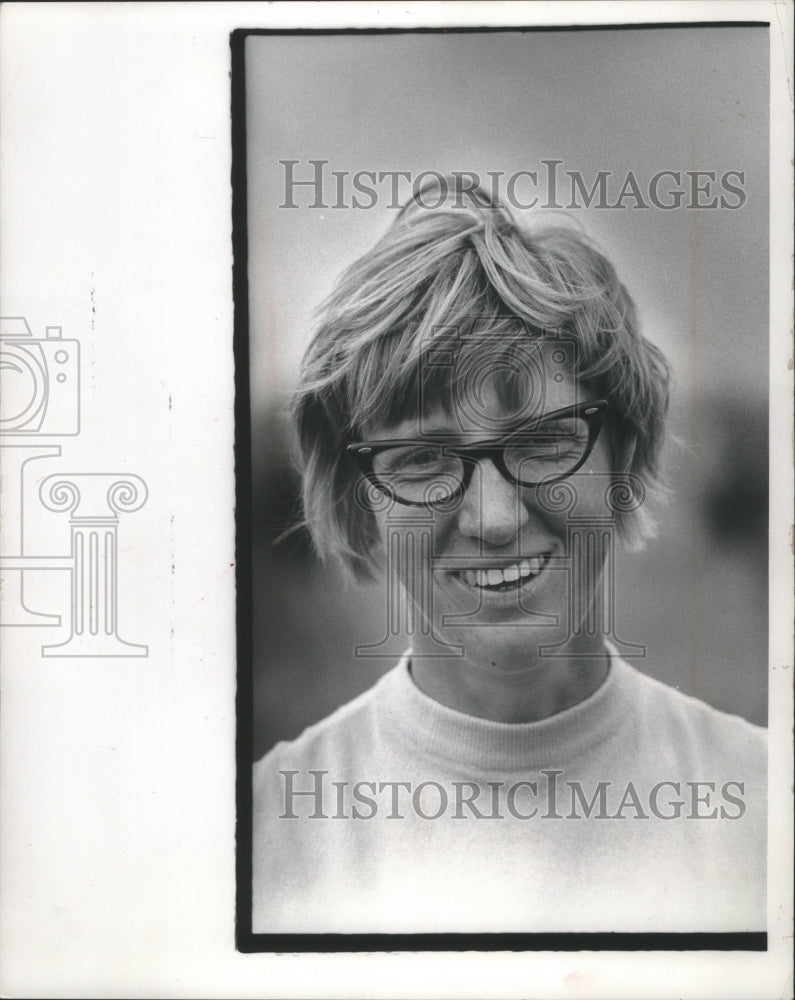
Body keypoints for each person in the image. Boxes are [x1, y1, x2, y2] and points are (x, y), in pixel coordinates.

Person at [252, 180, 766, 934]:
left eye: (543, 442)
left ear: (621, 454)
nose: (492, 517)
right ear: (362, 500)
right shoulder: (268, 835)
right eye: (422, 458)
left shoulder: (761, 804)